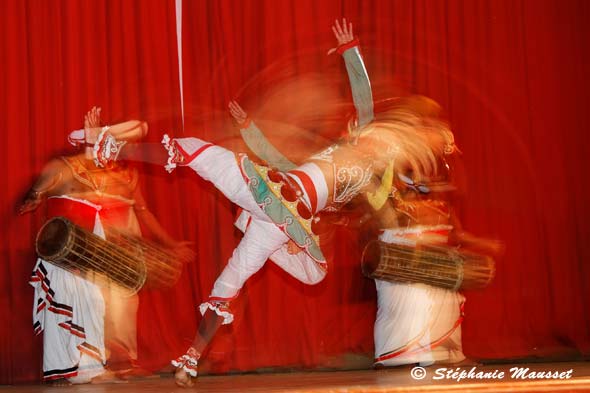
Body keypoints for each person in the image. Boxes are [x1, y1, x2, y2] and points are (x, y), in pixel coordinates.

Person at [92, 21, 449, 387]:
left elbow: (364, 99)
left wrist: (350, 52)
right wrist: (248, 128)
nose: (364, 136)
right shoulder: (338, 152)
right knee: (228, 267)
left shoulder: (368, 176)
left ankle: (114, 148)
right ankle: (191, 359)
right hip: (272, 198)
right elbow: (275, 159)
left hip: (278, 216)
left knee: (271, 263)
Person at [20, 107, 185, 385]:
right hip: (62, 255)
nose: (116, 153)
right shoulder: (63, 167)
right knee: (69, 306)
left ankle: (83, 370)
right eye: (109, 146)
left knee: (92, 304)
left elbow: (139, 127)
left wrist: (95, 136)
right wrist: (34, 195)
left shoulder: (108, 176)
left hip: (87, 256)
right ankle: (70, 370)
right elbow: (33, 197)